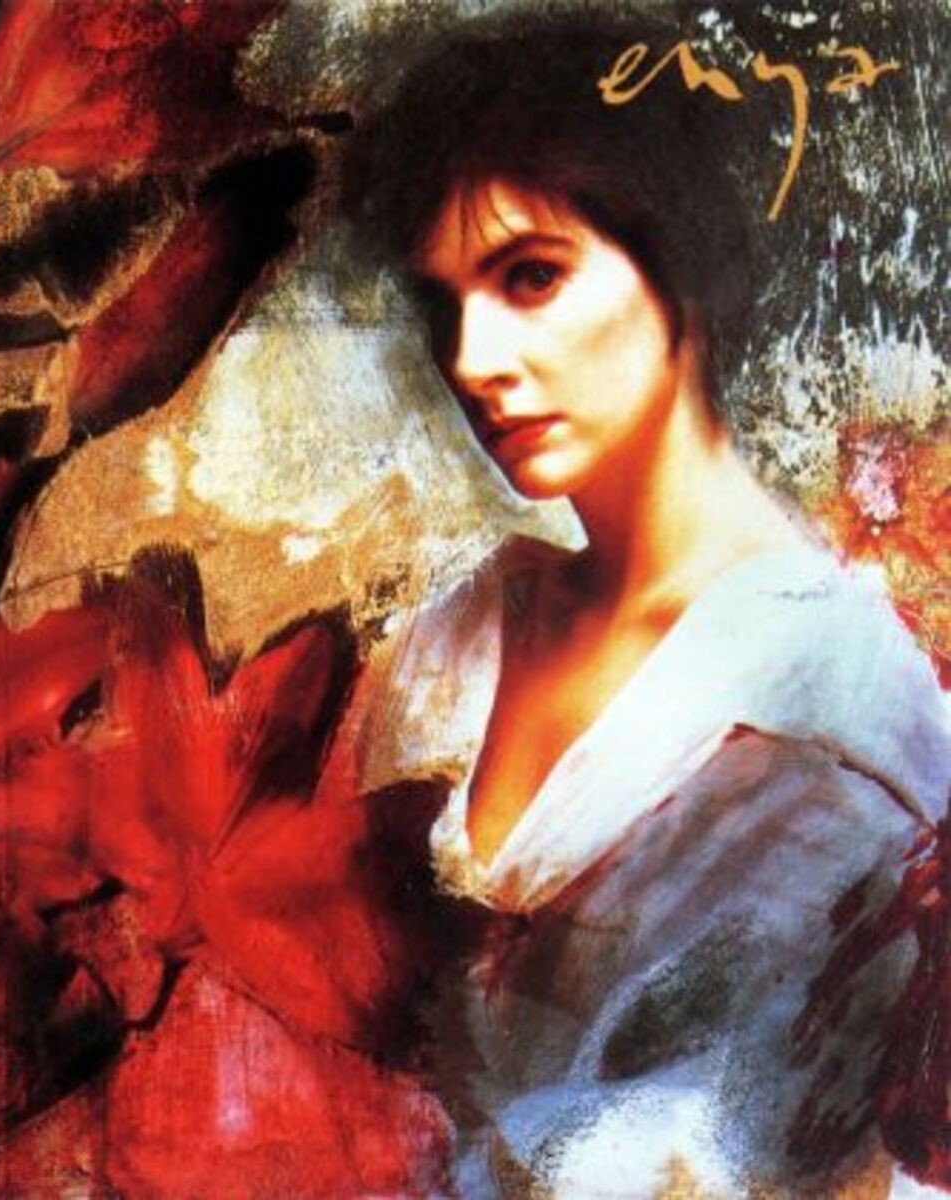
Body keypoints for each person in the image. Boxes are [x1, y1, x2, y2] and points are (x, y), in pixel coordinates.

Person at [345, 13, 951, 1197]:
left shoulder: (843, 711)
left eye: (532, 277)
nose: (471, 359)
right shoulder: (452, 640)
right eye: (442, 304)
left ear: (684, 261)